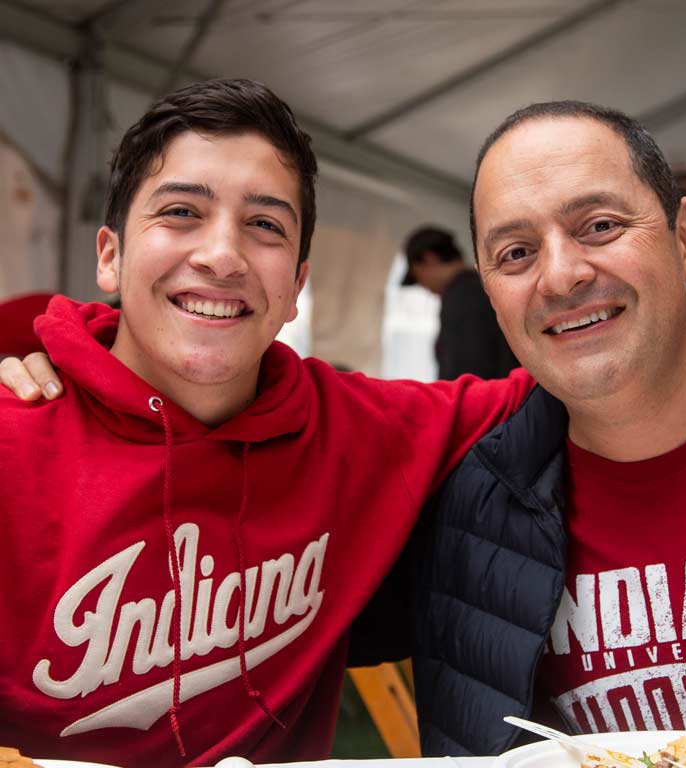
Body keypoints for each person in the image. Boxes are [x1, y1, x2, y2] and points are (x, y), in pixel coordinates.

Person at [0, 78, 530, 767]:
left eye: (265, 225)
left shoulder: (360, 426)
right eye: (182, 211)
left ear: (296, 287)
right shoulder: (16, 443)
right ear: (110, 256)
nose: (222, 256)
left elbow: (581, 377)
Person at [356, 101, 686, 757]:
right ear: (490, 292)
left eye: (599, 226)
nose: (562, 276)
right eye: (516, 253)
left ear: (685, 238)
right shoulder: (467, 509)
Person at [401, 226, 519, 378]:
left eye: (418, 277)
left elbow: (466, 369)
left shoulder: (460, 295)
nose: (425, 287)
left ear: (429, 259)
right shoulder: (482, 287)